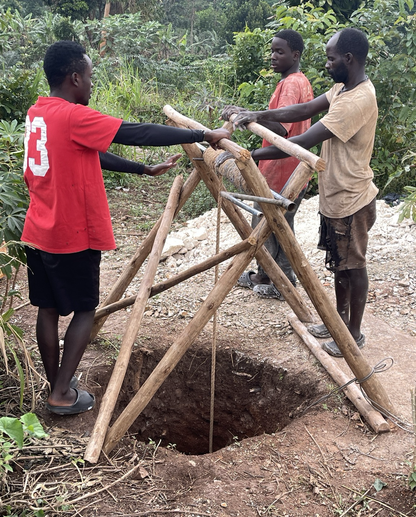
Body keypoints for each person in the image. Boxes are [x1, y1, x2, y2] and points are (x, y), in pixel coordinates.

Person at [22, 40, 230, 415]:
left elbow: (89, 151)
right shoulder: (74, 116)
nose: (91, 83)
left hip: (38, 230)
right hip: (72, 234)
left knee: (48, 309)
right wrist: (203, 134)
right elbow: (139, 133)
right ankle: (61, 395)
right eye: (89, 76)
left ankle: (57, 386)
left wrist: (141, 169)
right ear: (74, 78)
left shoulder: (39, 112)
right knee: (85, 309)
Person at [223, 28, 378, 357]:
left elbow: (297, 144)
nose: (326, 64)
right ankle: (338, 322)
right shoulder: (342, 88)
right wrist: (257, 115)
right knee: (338, 264)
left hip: (352, 198)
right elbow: (303, 110)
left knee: (353, 266)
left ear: (348, 59)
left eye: (331, 58)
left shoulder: (357, 100)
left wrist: (247, 154)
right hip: (335, 195)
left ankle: (353, 333)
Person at [222, 29, 313, 299]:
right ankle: (264, 274)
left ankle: (284, 283)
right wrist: (244, 114)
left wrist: (248, 119)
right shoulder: (295, 81)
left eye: (280, 52)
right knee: (265, 224)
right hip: (280, 170)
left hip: (284, 172)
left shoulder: (292, 84)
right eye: (272, 51)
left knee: (277, 228)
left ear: (295, 55)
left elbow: (281, 129)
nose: (273, 56)